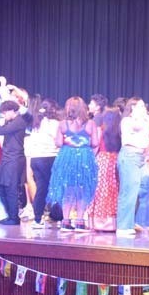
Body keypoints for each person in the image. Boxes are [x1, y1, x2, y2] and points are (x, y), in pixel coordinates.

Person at [47, 96, 101, 232]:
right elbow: (95, 143)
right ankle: (80, 222)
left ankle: (65, 221)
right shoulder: (90, 124)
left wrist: (68, 141)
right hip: (84, 157)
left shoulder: (62, 124)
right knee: (82, 189)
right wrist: (82, 142)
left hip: (66, 157)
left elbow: (58, 143)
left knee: (68, 189)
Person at [116, 97, 149, 237]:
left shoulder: (145, 119)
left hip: (141, 158)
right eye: (140, 106)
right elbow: (138, 127)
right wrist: (141, 116)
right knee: (129, 191)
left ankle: (143, 221)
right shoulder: (127, 121)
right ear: (132, 107)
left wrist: (145, 115)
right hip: (129, 156)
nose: (143, 109)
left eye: (144, 106)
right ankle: (123, 227)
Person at [0, 100, 32, 225]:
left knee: (10, 187)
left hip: (14, 158)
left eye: (5, 113)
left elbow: (1, 130)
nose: (4, 115)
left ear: (13, 111)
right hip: (7, 158)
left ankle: (14, 217)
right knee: (1, 187)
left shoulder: (19, 121)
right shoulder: (12, 121)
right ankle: (8, 214)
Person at [25, 98, 62, 229]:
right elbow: (58, 141)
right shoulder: (53, 123)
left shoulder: (36, 123)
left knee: (41, 188)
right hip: (48, 157)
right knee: (54, 187)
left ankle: (37, 219)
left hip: (35, 159)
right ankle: (58, 215)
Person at [90, 107, 122, 231]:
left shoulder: (101, 129)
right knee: (114, 190)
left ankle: (98, 222)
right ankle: (112, 223)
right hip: (115, 160)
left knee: (101, 191)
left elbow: (96, 144)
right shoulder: (119, 131)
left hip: (102, 160)